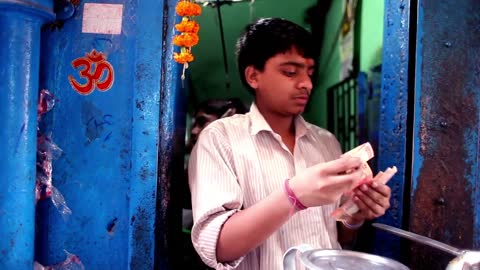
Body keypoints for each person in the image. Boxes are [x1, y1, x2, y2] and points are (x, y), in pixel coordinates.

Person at [188, 18, 391, 270]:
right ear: (253, 76)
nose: (306, 83)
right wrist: (293, 196)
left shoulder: (326, 142)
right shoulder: (220, 138)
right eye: (290, 72)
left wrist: (355, 213)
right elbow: (217, 246)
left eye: (310, 72)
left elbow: (338, 236)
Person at [182, 98, 248, 270]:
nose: (194, 130)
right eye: (194, 123)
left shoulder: (243, 161)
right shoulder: (199, 159)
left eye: (202, 122)